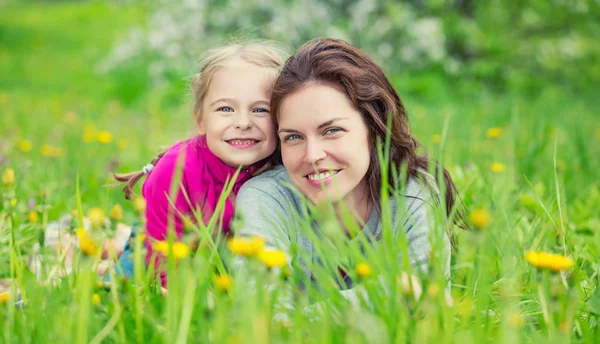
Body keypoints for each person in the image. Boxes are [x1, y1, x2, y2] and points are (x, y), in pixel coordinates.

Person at [234, 38, 464, 288]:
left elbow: (427, 305)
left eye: (332, 130)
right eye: (293, 137)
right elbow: (265, 315)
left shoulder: (412, 196)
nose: (312, 155)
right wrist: (389, 294)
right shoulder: (266, 199)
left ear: (375, 128)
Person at [109, 42, 284, 286]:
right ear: (200, 119)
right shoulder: (177, 170)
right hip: (162, 241)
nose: (243, 122)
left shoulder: (286, 167)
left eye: (260, 110)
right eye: (226, 108)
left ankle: (113, 240)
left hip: (225, 259)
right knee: (121, 281)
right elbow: (165, 265)